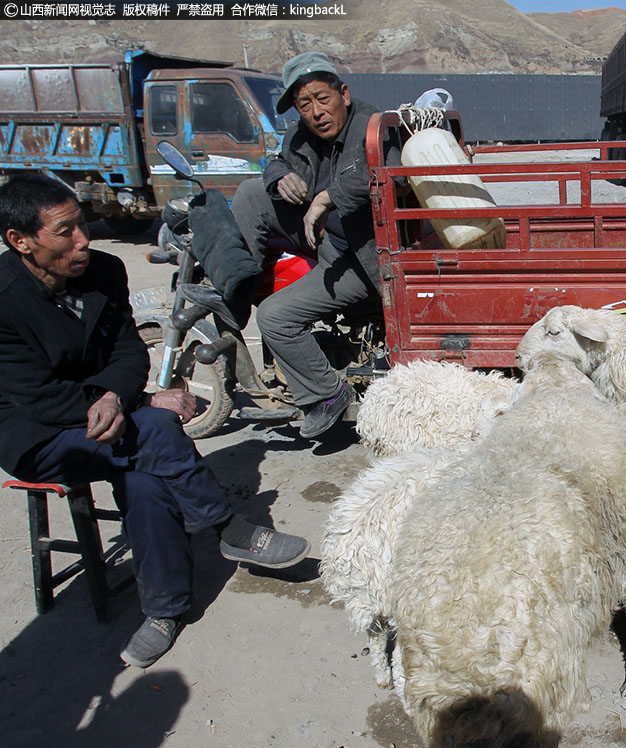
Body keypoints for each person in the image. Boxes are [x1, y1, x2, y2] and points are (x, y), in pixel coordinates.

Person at [0, 174, 311, 668]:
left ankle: (163, 613)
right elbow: (35, 397)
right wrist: (133, 404)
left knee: (143, 477)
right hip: (40, 434)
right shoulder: (4, 298)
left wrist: (119, 399)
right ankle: (228, 528)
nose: (83, 239)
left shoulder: (102, 271)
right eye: (65, 232)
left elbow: (128, 353)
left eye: (82, 224)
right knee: (155, 426)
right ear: (21, 241)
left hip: (111, 416)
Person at [207, 52, 394, 439]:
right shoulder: (301, 133)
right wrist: (279, 177)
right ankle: (238, 288)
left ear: (343, 93)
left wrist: (325, 198)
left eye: (322, 99)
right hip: (323, 234)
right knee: (252, 192)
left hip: (360, 256)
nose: (315, 112)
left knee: (275, 317)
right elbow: (275, 160)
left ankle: (328, 394)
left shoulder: (373, 127)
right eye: (303, 104)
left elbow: (378, 174)